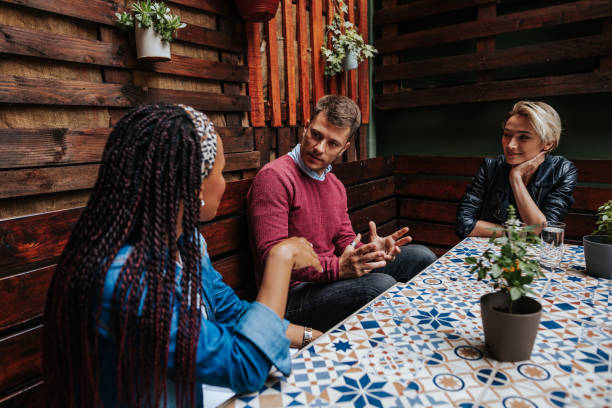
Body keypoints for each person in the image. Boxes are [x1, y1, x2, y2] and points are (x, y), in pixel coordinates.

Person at [42, 103, 323, 408]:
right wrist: (280, 260)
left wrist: (311, 337)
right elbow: (244, 365)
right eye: (222, 171)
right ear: (195, 186)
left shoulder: (187, 243)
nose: (224, 183)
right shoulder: (127, 281)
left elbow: (231, 312)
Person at [247, 95, 437, 332]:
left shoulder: (334, 184)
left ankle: (412, 337)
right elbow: (271, 259)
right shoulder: (275, 178)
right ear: (306, 126)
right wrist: (336, 268)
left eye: (332, 143)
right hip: (288, 296)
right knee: (380, 286)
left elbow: (345, 242)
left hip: (330, 279)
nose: (319, 148)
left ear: (344, 148)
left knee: (422, 257)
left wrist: (369, 252)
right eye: (316, 134)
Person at [456, 100, 578, 238]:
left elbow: (543, 232)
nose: (510, 145)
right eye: (507, 134)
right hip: (491, 253)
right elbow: (464, 226)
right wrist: (517, 232)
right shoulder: (490, 168)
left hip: (535, 257)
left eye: (523, 137)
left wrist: (516, 178)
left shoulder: (562, 171)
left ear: (548, 144)